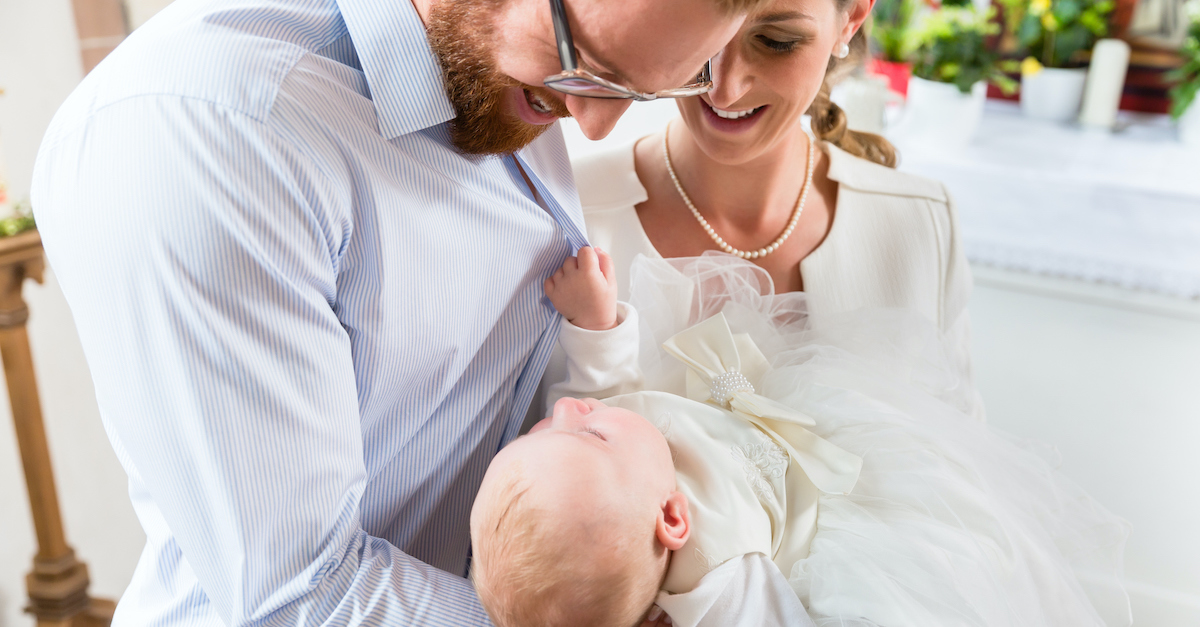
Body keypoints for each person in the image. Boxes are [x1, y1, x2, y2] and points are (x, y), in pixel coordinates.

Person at [29, 0, 770, 624]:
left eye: (642, 90)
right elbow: (302, 599)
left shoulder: (504, 73)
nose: (595, 124)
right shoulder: (213, 131)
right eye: (589, 65)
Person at [511, 247, 1130, 626]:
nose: (572, 413)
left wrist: (594, 321)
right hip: (828, 511)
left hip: (801, 420)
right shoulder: (719, 574)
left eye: (540, 430)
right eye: (585, 431)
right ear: (673, 518)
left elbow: (597, 384)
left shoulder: (598, 465)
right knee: (963, 545)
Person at [549, 0, 982, 423]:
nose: (724, 86)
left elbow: (957, 461)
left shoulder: (920, 225)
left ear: (849, 19)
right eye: (702, 32)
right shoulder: (567, 216)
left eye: (776, 41)